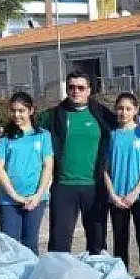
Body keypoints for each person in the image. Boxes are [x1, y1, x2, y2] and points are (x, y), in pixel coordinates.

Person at [37, 71, 118, 255]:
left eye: (81, 88)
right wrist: (3, 133)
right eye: (71, 87)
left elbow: (125, 125)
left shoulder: (101, 114)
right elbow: (28, 125)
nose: (76, 91)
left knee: (97, 243)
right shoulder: (54, 115)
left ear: (89, 90)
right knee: (59, 243)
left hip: (94, 187)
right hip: (64, 187)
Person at [104, 93, 140, 279]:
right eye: (120, 108)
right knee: (120, 243)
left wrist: (136, 192)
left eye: (128, 108)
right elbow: (105, 169)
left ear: (135, 111)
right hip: (117, 199)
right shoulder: (111, 136)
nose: (123, 112)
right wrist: (112, 194)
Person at [0, 92, 53, 255]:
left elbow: (48, 166)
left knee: (30, 244)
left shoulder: (43, 135)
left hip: (35, 199)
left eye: (21, 111)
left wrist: (38, 195)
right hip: (8, 201)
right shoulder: (4, 138)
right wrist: (15, 196)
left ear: (30, 110)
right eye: (13, 111)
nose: (16, 115)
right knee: (10, 246)